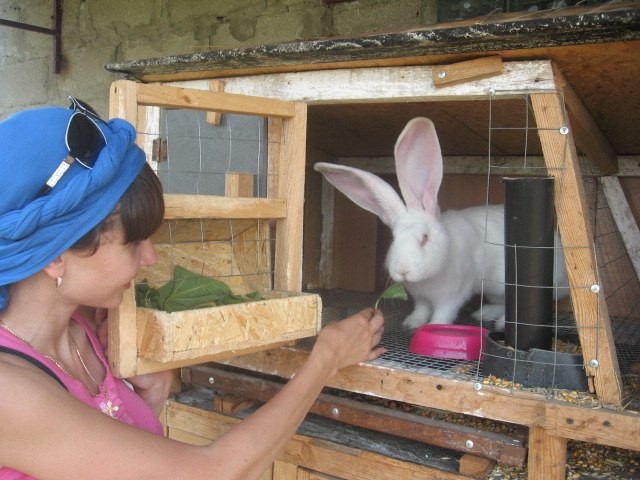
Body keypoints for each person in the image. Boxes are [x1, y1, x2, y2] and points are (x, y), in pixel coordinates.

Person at [0, 99, 386, 480]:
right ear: (55, 254)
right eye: (134, 242)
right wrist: (325, 359)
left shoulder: (83, 329)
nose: (150, 256)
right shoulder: (10, 392)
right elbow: (212, 473)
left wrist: (149, 401)